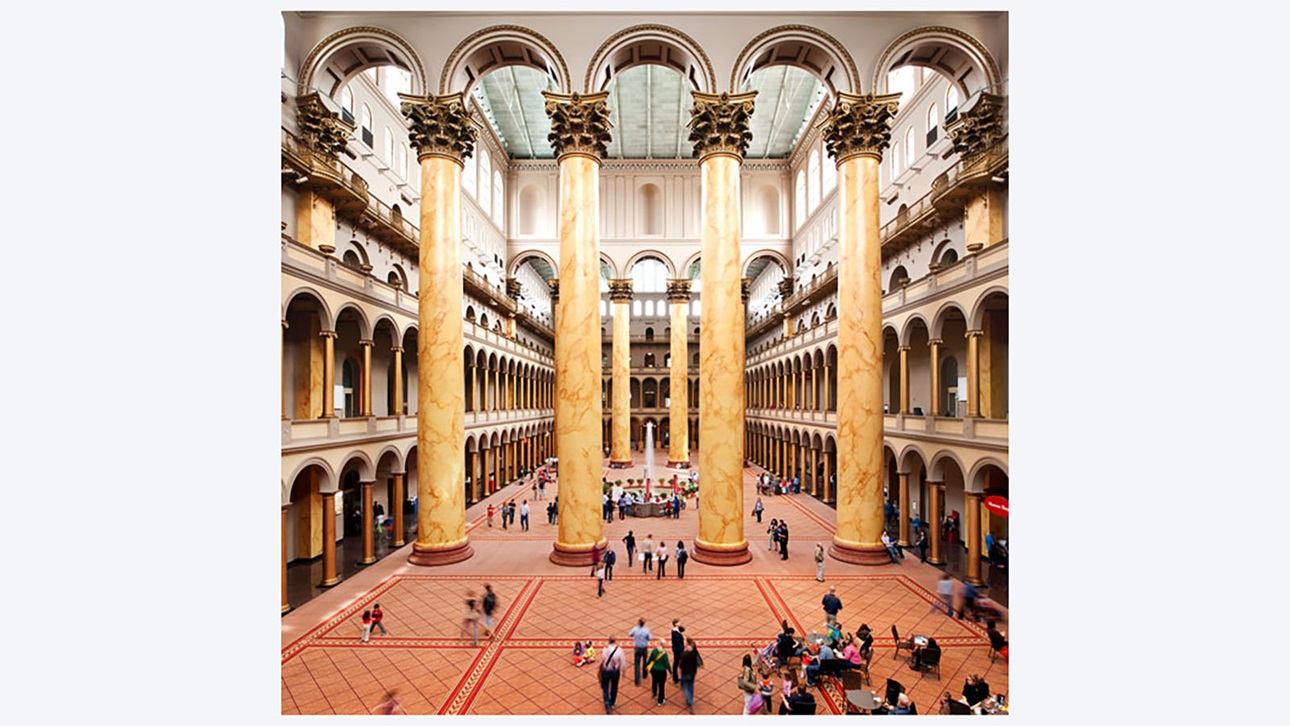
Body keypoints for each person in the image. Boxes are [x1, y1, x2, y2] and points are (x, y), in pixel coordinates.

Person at [600, 635, 626, 713]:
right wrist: (624, 671)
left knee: (605, 686)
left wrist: (600, 668)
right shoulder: (619, 650)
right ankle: (612, 702)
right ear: (615, 641)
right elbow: (623, 661)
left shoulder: (605, 649)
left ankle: (607, 701)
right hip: (615, 671)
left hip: (606, 670)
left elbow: (603, 660)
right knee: (614, 686)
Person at [677, 637, 702, 712]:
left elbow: (681, 665)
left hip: (685, 672)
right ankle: (690, 700)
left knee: (683, 686)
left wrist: (679, 671)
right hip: (693, 672)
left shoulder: (685, 654)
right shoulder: (694, 653)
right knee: (691, 686)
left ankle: (690, 701)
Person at [647, 639, 671, 706]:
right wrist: (670, 671)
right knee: (661, 686)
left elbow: (650, 659)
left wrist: (646, 666)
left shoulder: (654, 651)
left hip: (654, 670)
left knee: (654, 682)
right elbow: (667, 664)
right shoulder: (664, 654)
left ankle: (654, 694)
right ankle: (660, 701)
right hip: (662, 671)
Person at [629, 618, 652, 687]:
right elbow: (650, 638)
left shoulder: (635, 629)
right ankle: (644, 674)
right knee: (645, 661)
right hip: (644, 648)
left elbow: (630, 634)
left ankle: (637, 680)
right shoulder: (646, 630)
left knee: (637, 664)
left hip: (637, 648)